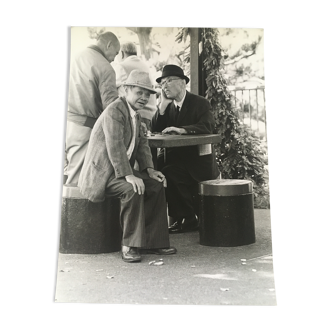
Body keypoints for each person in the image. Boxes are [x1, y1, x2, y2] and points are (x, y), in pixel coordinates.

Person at [78, 70, 177, 263]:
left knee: (156, 185)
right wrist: (128, 175)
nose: (143, 98)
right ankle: (129, 245)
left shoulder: (135, 115)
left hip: (120, 172)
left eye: (147, 94)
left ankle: (154, 242)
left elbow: (142, 144)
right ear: (126, 90)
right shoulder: (115, 110)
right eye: (139, 92)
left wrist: (149, 169)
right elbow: (114, 145)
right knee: (132, 189)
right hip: (104, 176)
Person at [151, 64, 220, 233]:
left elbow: (208, 126)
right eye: (162, 83)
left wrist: (183, 130)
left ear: (182, 83)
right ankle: (168, 220)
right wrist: (161, 106)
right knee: (154, 171)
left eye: (169, 81)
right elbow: (155, 128)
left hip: (196, 161)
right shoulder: (169, 107)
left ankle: (188, 218)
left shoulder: (200, 103)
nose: (164, 86)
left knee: (168, 172)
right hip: (175, 159)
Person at [64, 31, 120, 186]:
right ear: (108, 44)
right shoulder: (105, 67)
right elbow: (111, 107)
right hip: (87, 127)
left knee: (72, 169)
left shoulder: (76, 56)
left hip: (69, 124)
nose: (114, 59)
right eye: (115, 53)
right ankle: (73, 210)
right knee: (80, 178)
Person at [111, 42, 158, 132]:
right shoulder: (145, 66)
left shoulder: (121, 66)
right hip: (151, 117)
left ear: (121, 53)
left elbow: (110, 90)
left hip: (136, 117)